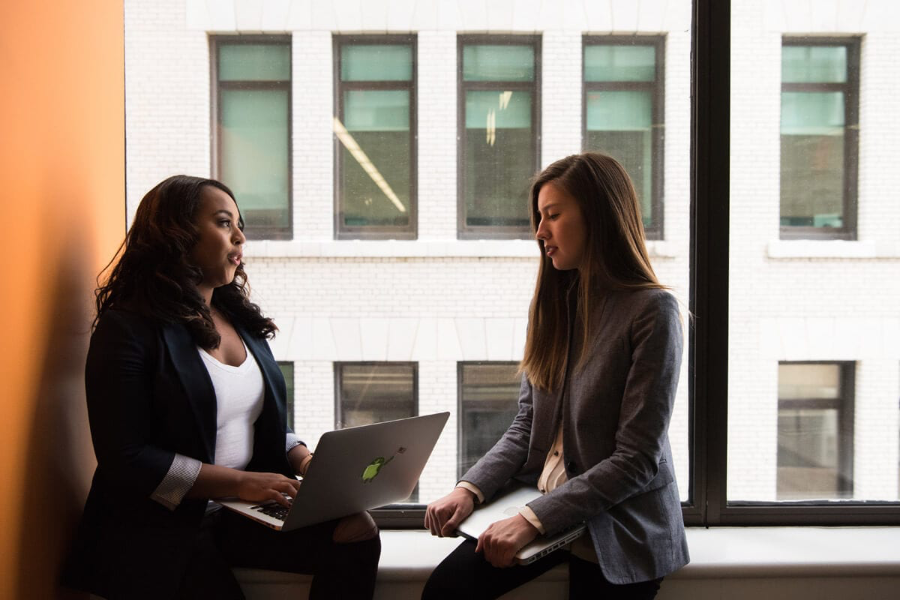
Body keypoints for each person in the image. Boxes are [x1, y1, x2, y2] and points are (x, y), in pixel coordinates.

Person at [63, 176, 381, 599]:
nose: (240, 236)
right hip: (159, 526)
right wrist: (238, 482)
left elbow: (246, 419)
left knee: (357, 532)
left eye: (240, 224)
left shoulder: (239, 321)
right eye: (223, 222)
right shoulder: (127, 329)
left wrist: (305, 460)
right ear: (175, 234)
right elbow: (125, 457)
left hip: (237, 512)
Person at [422, 153, 689, 600]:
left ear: (598, 216)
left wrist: (532, 519)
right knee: (445, 590)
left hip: (618, 520)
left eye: (553, 215)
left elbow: (637, 460)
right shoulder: (554, 306)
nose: (540, 231)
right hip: (543, 501)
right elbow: (527, 427)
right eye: (539, 217)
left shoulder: (652, 312)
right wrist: (470, 488)